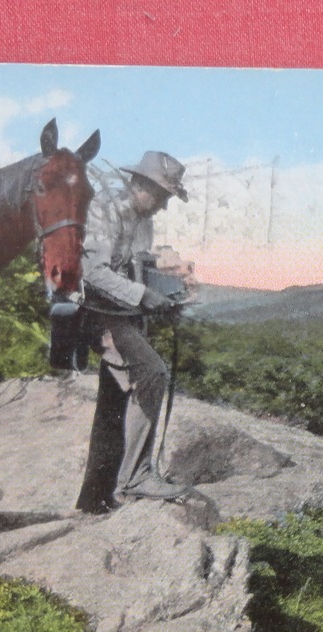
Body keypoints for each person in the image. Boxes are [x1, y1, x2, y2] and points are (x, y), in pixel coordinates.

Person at [74, 151, 193, 513]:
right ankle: (137, 476)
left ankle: (96, 498)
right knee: (152, 372)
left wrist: (168, 282)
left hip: (118, 311)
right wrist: (143, 295)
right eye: (161, 196)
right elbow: (92, 273)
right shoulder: (102, 211)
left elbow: (135, 263)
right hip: (89, 311)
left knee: (114, 402)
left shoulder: (143, 220)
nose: (163, 206)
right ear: (140, 184)